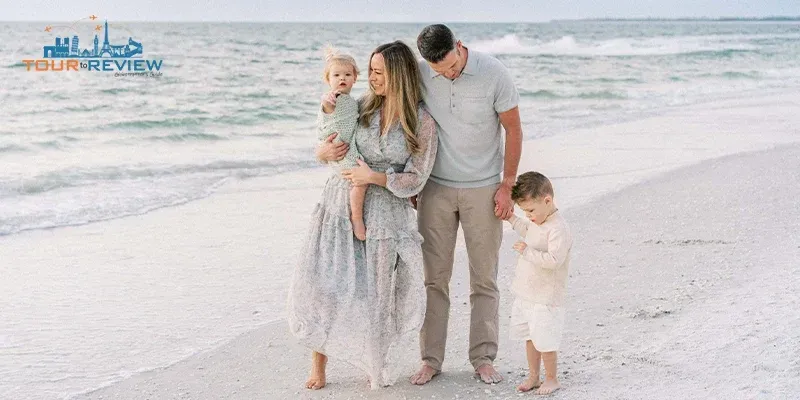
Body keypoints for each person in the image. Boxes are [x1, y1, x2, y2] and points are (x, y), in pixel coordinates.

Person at [287, 40, 438, 390]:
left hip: (385, 215)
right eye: (370, 70)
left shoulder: (421, 121)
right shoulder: (360, 107)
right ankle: (318, 364)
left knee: (378, 293)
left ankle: (375, 363)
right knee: (326, 284)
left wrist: (375, 177)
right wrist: (322, 152)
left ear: (399, 75)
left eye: (379, 72)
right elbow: (330, 136)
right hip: (340, 204)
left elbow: (417, 177)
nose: (372, 78)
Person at [410, 24, 523, 385]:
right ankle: (430, 359)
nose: (448, 74)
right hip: (436, 189)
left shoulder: (494, 73)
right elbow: (405, 121)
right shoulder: (421, 74)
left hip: (484, 188)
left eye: (452, 67)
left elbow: (514, 129)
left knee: (484, 278)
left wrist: (507, 185)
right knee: (434, 279)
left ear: (459, 46)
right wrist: (412, 177)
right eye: (440, 71)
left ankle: (483, 357)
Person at [505, 171, 571, 395]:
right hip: (528, 293)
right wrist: (512, 218)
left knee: (545, 340)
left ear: (547, 201)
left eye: (531, 210)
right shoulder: (536, 221)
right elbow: (527, 229)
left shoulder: (558, 229)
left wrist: (527, 252)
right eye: (525, 211)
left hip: (546, 297)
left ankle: (551, 378)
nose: (529, 215)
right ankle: (533, 376)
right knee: (530, 337)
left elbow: (554, 261)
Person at [317, 47, 368, 240]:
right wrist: (327, 102)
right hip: (341, 149)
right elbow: (327, 108)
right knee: (361, 181)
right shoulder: (334, 97)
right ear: (328, 79)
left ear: (355, 78)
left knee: (359, 180)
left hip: (344, 146)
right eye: (336, 75)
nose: (342, 78)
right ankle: (357, 218)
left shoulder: (351, 100)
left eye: (347, 74)